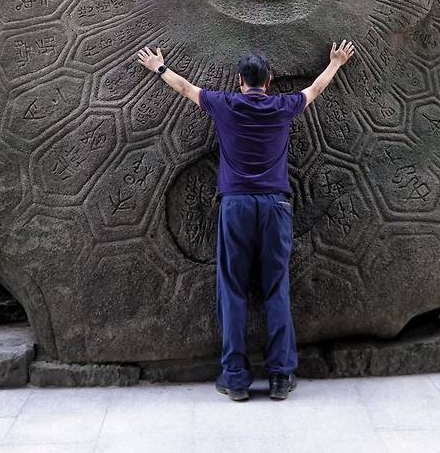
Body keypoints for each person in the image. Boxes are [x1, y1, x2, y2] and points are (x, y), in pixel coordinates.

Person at [137, 38, 356, 403]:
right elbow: (315, 89)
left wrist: (158, 66)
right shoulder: (283, 107)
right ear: (268, 82)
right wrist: (335, 62)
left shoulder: (224, 105)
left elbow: (185, 88)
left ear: (240, 81)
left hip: (236, 205)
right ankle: (281, 377)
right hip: (275, 206)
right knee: (276, 289)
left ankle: (236, 378)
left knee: (233, 289)